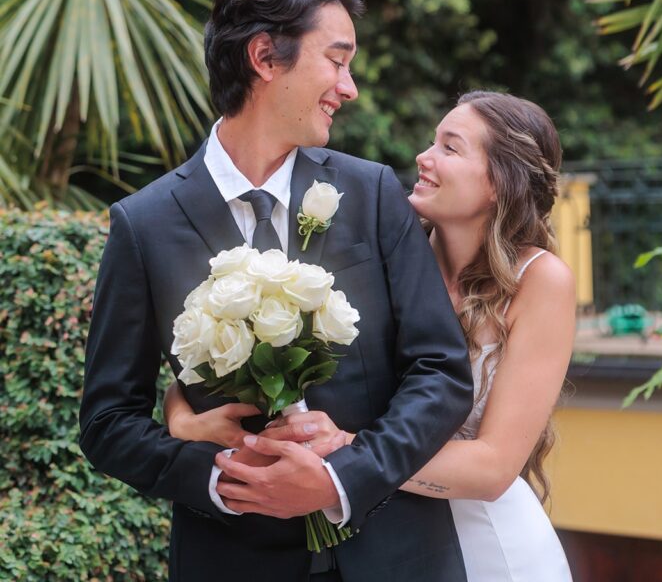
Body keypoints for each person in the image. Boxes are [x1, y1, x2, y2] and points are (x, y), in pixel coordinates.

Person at [79, 0, 473, 582]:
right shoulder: (144, 223)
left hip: (395, 554)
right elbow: (107, 422)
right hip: (230, 559)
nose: (350, 88)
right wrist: (219, 478)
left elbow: (442, 371)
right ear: (265, 57)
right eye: (337, 60)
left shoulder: (371, 193)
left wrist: (341, 478)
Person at [167, 90, 575, 581]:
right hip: (390, 542)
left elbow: (491, 470)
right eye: (431, 142)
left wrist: (349, 453)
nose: (423, 157)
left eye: (450, 148)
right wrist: (178, 408)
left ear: (498, 183)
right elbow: (289, 356)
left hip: (487, 545)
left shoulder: (541, 280)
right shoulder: (396, 252)